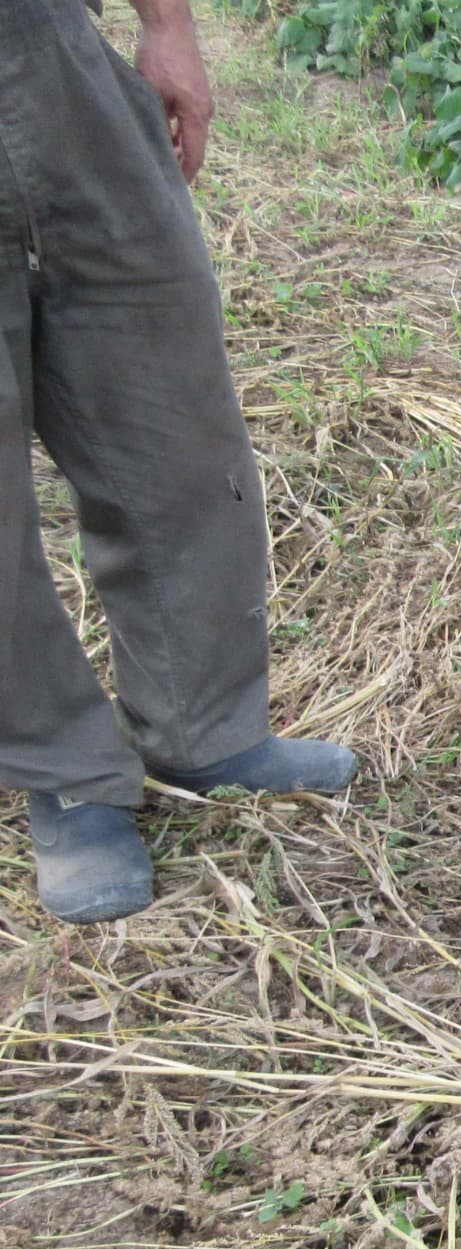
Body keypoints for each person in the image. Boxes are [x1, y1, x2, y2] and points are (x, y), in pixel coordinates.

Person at [2, 0, 357, 924]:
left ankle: (206, 729)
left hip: (49, 51)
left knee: (172, 406)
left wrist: (169, 24)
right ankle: (68, 772)